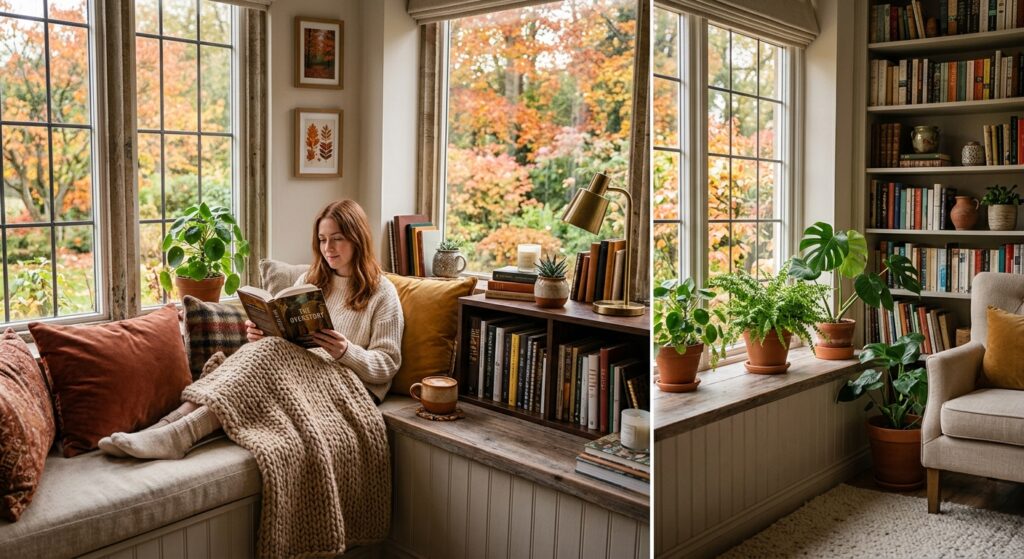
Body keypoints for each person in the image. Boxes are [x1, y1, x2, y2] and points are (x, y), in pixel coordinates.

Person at [99, 199, 404, 460]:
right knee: (262, 347)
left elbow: (388, 365)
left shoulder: (382, 292)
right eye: (322, 240)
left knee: (268, 353)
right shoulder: (312, 282)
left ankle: (178, 436)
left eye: (336, 238)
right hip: (304, 373)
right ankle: (166, 426)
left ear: (357, 239)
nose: (328, 248)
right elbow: (291, 337)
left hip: (350, 388)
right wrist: (265, 331)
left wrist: (346, 351)